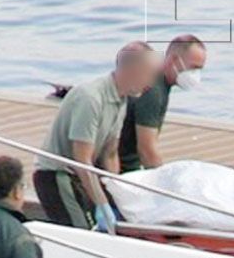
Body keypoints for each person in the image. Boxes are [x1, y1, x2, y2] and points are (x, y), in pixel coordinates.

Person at [33, 41, 158, 230]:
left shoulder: (121, 99)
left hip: (81, 176)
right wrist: (102, 204)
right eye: (149, 75)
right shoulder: (91, 98)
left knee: (112, 227)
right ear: (132, 70)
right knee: (84, 232)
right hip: (57, 175)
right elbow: (81, 159)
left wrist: (115, 194)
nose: (151, 83)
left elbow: (110, 153)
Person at [118, 34, 206, 173]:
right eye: (193, 68)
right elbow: (147, 150)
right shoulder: (153, 90)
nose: (195, 75)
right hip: (124, 168)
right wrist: (163, 182)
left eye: (200, 69)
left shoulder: (160, 83)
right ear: (173, 60)